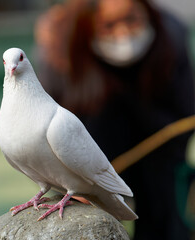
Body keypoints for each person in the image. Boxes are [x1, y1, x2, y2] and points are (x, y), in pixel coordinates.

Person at [35, 0, 195, 239]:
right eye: (109, 25)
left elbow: (184, 113)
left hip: (159, 151)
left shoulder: (171, 36)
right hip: (90, 152)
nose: (123, 33)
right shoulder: (61, 48)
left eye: (131, 19)